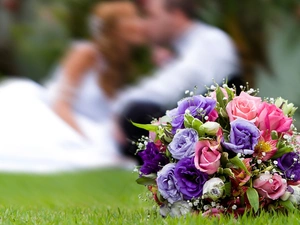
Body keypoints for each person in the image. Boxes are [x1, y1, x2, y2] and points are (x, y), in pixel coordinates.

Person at [0, 1, 146, 172]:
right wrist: (85, 142)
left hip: (95, 128)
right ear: (115, 27)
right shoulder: (86, 53)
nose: (140, 23)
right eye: (132, 18)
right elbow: (60, 103)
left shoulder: (119, 66)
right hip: (55, 114)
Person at [116, 0, 244, 160]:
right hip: (202, 130)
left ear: (176, 15)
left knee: (136, 114)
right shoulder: (187, 46)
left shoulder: (210, 40)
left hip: (215, 138)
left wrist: (119, 106)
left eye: (151, 16)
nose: (146, 25)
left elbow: (174, 86)